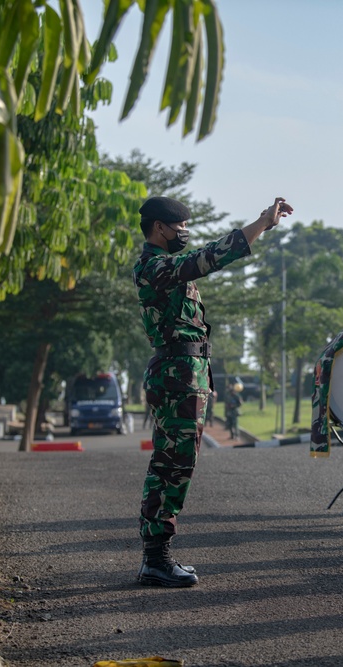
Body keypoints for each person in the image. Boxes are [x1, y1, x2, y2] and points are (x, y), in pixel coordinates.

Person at [133, 195, 292, 588]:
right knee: (172, 465)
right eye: (179, 226)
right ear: (159, 228)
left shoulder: (167, 268)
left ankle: (157, 556)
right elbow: (208, 258)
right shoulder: (156, 267)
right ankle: (156, 558)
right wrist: (259, 225)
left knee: (176, 463)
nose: (184, 232)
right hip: (176, 375)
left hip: (187, 373)